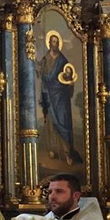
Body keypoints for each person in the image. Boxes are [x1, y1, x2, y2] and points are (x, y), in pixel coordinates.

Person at [37, 34, 83, 165]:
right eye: (53, 42)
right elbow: (42, 75)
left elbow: (68, 77)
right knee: (51, 122)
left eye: (57, 42)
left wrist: (70, 84)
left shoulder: (62, 60)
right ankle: (53, 149)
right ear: (49, 43)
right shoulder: (45, 58)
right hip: (50, 95)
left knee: (63, 121)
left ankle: (67, 152)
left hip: (61, 97)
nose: (55, 44)